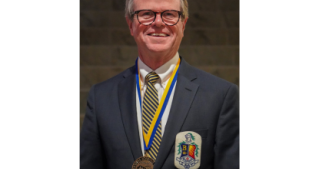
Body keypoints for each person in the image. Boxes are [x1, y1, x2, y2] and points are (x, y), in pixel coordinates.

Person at [79, 0, 240, 169]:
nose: (158, 22)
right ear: (130, 25)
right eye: (146, 14)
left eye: (169, 14)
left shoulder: (220, 96)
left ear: (183, 24)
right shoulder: (102, 97)